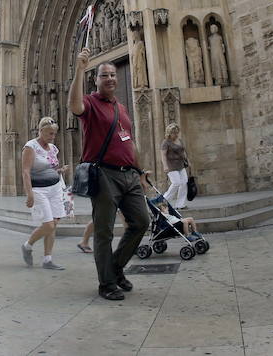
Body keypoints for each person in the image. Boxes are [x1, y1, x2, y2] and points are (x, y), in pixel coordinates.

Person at [68, 48, 150, 301]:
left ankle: (114, 268)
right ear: (97, 79)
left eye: (113, 74)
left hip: (129, 176)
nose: (111, 79)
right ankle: (107, 283)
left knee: (141, 222)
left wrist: (141, 171)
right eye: (105, 75)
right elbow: (74, 105)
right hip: (104, 174)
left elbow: (129, 141)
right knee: (103, 230)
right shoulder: (91, 103)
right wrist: (80, 69)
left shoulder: (122, 109)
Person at [21, 116, 68, 270]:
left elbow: (51, 168)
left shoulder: (53, 148)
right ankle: (27, 245)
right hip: (39, 189)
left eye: (54, 134)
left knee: (54, 224)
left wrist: (60, 170)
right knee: (48, 224)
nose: (52, 137)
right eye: (49, 134)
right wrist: (29, 194)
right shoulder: (30, 147)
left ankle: (47, 259)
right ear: (40, 131)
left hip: (55, 188)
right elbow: (26, 172)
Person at [161, 123, 190, 210]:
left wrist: (188, 161)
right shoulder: (165, 142)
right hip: (171, 165)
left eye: (177, 132)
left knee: (184, 182)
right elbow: (163, 155)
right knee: (176, 183)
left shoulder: (179, 140)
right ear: (169, 133)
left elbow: (183, 151)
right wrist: (165, 166)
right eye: (174, 133)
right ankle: (163, 201)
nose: (176, 134)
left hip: (181, 164)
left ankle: (180, 204)